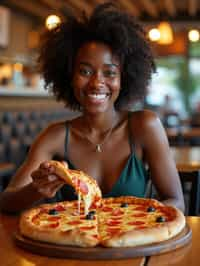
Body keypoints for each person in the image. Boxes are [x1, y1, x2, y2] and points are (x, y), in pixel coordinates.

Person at [0, 2, 184, 213]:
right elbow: (6, 202)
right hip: (75, 244)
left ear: (124, 78)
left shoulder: (144, 126)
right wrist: (36, 189)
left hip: (133, 241)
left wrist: (137, 221)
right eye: (85, 71)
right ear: (69, 78)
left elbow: (176, 200)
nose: (97, 82)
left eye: (109, 72)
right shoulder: (55, 136)